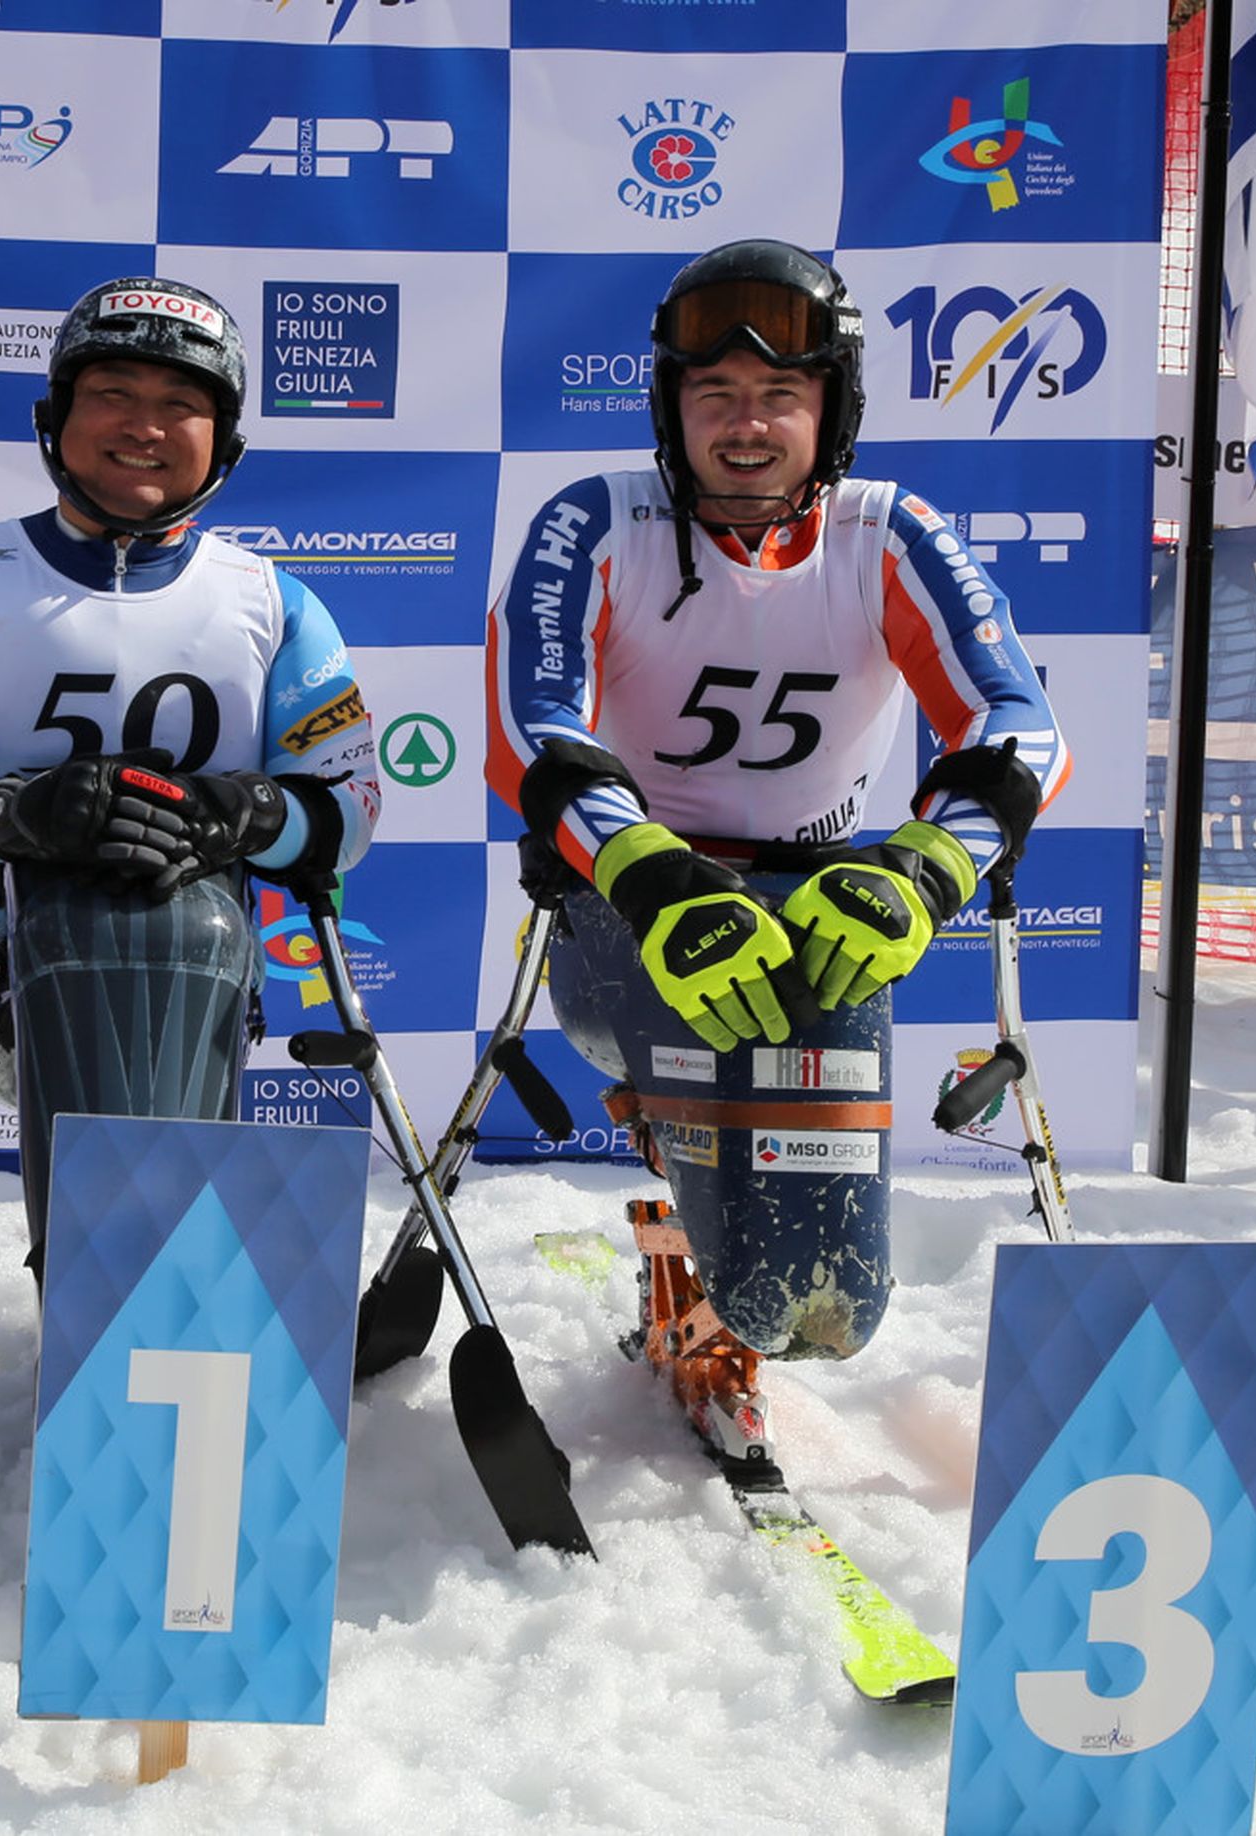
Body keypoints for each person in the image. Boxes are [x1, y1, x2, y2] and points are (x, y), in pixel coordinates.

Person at [486, 237, 1067, 1463]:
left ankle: (730, 1268)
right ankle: (722, 1268)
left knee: (833, 1303)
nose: (746, 428)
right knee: (786, 1280)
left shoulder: (886, 531)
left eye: (779, 398)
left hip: (819, 892)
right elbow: (530, 730)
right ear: (670, 411)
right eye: (714, 398)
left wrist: (917, 865)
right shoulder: (599, 519)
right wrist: (649, 875)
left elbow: (1017, 724)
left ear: (831, 410)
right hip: (629, 904)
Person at [0, 276, 383, 1265]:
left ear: (225, 443)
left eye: (181, 404)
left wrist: (244, 812)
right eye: (114, 395)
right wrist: (18, 814)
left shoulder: (276, 603)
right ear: (55, 419)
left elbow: (349, 805)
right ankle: (114, 1295)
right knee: (90, 925)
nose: (145, 427)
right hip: (15, 984)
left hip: (208, 979)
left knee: (178, 927)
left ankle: (141, 1308)